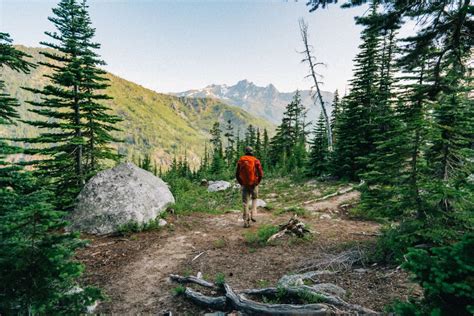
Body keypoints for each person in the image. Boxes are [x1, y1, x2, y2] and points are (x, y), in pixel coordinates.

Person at [235, 146, 264, 228]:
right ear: (252, 152)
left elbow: (237, 174)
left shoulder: (241, 160)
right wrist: (257, 182)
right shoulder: (255, 160)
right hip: (254, 184)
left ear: (245, 151)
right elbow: (261, 173)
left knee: (245, 202)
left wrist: (241, 183)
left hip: (244, 184)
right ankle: (253, 215)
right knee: (254, 198)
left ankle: (245, 221)